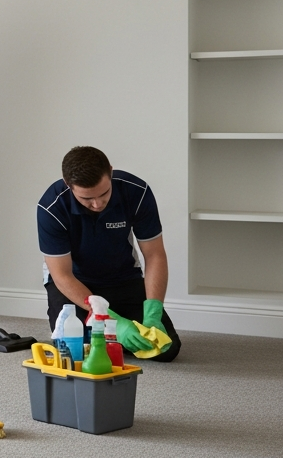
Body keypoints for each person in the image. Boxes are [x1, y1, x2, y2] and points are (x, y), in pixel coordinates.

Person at [37, 146, 180, 361]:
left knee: (166, 348)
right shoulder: (52, 207)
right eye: (86, 198)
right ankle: (110, 335)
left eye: (103, 193)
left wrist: (153, 311)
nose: (97, 204)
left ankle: (112, 335)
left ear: (110, 172)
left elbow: (155, 255)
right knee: (72, 350)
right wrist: (107, 319)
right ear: (68, 184)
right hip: (76, 284)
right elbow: (62, 276)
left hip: (122, 278)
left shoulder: (136, 192)